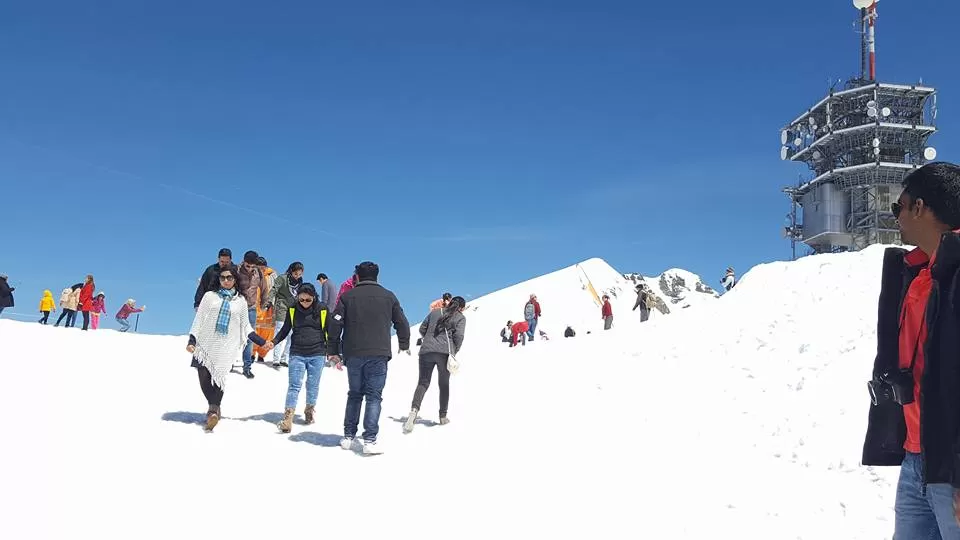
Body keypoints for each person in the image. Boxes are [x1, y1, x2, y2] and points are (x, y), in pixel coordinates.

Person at [861, 162, 960, 538]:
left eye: (897, 206)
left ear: (920, 208)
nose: (896, 216)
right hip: (917, 456)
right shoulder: (916, 273)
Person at [326, 261, 410, 454]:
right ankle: (369, 441)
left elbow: (335, 323)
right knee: (374, 396)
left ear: (357, 276)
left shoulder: (347, 297)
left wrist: (333, 350)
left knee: (355, 394)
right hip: (379, 352)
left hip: (353, 352)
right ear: (377, 276)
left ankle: (348, 437)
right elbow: (402, 323)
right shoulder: (389, 296)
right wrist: (404, 344)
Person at [187, 266, 269, 432]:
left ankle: (213, 411)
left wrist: (261, 341)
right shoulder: (209, 296)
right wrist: (192, 340)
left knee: (219, 378)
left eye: (229, 278)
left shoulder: (241, 302)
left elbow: (246, 326)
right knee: (203, 376)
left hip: (225, 346)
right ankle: (215, 407)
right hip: (205, 343)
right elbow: (199, 319)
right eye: (223, 277)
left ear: (235, 280)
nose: (226, 281)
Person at [269, 283, 331, 433]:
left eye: (308, 300)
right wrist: (274, 342)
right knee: (294, 385)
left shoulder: (322, 309)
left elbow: (329, 330)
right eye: (301, 299)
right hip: (297, 353)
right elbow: (285, 329)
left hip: (317, 353)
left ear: (314, 297)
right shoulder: (292, 308)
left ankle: (309, 409)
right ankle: (288, 417)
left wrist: (333, 350)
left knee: (312, 385)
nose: (304, 303)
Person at [403, 296, 466, 433]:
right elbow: (459, 337)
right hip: (445, 353)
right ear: (461, 308)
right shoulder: (460, 317)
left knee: (423, 383)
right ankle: (443, 416)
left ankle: (413, 411)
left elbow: (422, 328)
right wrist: (454, 351)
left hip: (426, 351)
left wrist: (429, 338)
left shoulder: (435, 312)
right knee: (443, 384)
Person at [236, 250, 270, 379]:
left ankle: (247, 367)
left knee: (250, 337)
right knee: (233, 336)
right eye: (247, 265)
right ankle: (229, 363)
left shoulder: (258, 273)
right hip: (236, 307)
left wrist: (264, 303)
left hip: (251, 308)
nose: (249, 268)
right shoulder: (236, 270)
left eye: (252, 266)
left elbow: (264, 288)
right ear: (243, 262)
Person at [266, 262, 304, 367]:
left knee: (291, 333)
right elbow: (274, 289)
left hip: (293, 308)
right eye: (295, 274)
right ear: (291, 271)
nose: (297, 276)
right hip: (282, 306)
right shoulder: (282, 278)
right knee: (280, 330)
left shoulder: (300, 282)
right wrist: (269, 300)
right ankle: (276, 359)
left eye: (300, 274)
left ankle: (284, 358)